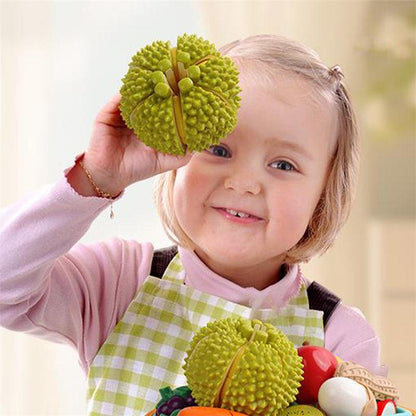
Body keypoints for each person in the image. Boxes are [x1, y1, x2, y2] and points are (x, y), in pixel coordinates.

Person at [0, 34, 385, 414]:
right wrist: (97, 175)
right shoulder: (120, 281)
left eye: (283, 165)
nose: (244, 183)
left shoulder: (340, 336)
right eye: (218, 149)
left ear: (323, 198)